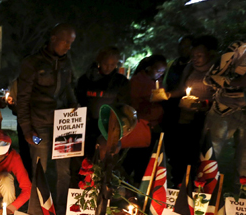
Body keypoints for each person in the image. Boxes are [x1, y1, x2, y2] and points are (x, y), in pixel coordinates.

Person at [16, 23, 78, 210]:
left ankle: (60, 209)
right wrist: (27, 129)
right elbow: (23, 97)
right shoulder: (32, 63)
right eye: (65, 41)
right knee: (39, 169)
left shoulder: (67, 63)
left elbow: (68, 88)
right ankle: (39, 209)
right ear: (53, 39)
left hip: (64, 124)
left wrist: (74, 105)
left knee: (64, 171)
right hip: (39, 124)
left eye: (71, 43)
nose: (68, 46)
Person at [166, 36, 218, 184]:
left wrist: (203, 104)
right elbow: (183, 89)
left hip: (205, 119)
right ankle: (178, 182)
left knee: (199, 155)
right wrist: (168, 94)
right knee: (181, 153)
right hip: (185, 117)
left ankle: (196, 186)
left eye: (199, 56)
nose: (195, 58)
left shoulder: (217, 70)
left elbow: (222, 97)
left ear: (210, 54)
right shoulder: (189, 68)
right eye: (193, 55)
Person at [75, 47, 131, 159]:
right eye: (106, 64)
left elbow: (124, 106)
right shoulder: (86, 80)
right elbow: (77, 99)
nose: (108, 68)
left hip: (109, 129)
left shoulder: (121, 82)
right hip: (86, 128)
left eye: (112, 65)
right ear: (99, 61)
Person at [204, 41, 246, 188]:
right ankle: (204, 191)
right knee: (212, 152)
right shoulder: (237, 50)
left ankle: (241, 198)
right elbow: (210, 78)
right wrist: (236, 83)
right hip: (224, 110)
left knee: (244, 161)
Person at [126, 54, 167, 182]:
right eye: (158, 70)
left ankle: (139, 181)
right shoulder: (138, 81)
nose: (160, 74)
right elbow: (134, 103)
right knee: (136, 155)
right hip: (141, 125)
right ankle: (127, 179)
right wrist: (148, 100)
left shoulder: (158, 81)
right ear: (149, 68)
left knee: (147, 157)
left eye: (163, 72)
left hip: (153, 125)